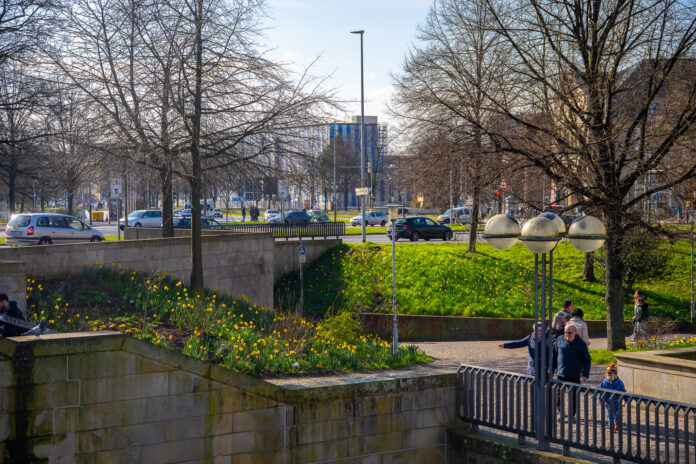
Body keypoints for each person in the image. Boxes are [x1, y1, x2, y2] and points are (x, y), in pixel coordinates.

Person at [552, 325, 591, 415]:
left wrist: (585, 374)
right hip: (561, 373)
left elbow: (587, 360)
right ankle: (560, 412)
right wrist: (552, 370)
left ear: (575, 333)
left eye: (569, 333)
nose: (567, 334)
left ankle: (572, 413)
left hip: (574, 374)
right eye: (565, 332)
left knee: (573, 395)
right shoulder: (559, 339)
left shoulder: (581, 343)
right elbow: (553, 356)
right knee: (559, 395)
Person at [599, 364, 626, 431]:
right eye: (608, 375)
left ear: (615, 375)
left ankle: (617, 422)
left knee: (617, 415)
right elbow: (601, 393)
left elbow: (623, 391)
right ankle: (611, 426)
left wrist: (625, 400)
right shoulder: (604, 382)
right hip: (608, 403)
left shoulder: (619, 383)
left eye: (611, 375)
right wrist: (602, 401)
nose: (609, 377)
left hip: (617, 403)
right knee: (609, 416)